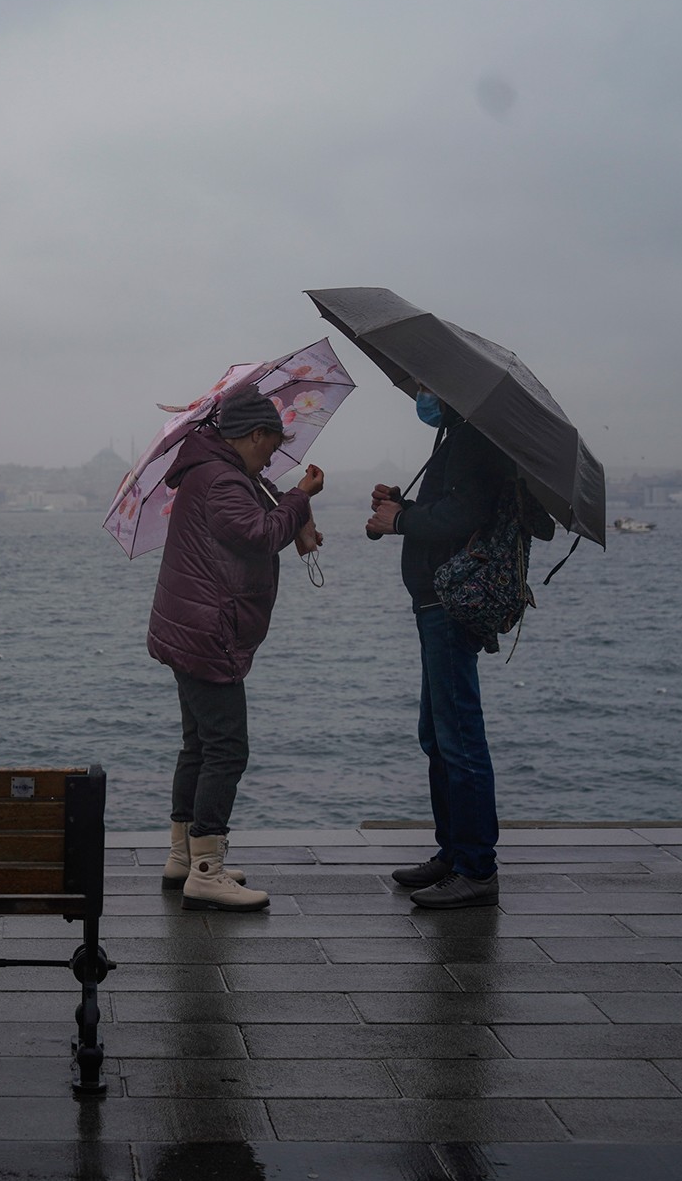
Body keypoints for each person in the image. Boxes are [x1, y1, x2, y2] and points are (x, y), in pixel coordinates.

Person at [147, 389, 323, 912]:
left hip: (189, 626)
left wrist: (293, 506)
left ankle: (184, 854)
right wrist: (301, 498)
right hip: (209, 632)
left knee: (199, 745)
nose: (272, 456)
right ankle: (207, 870)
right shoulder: (222, 478)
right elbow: (255, 532)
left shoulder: (217, 472)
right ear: (252, 435)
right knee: (227, 748)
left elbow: (260, 514)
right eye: (270, 445)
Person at [366, 388, 513, 909]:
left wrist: (401, 520)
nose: (423, 396)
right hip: (434, 603)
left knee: (459, 738)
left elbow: (464, 513)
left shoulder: (475, 440)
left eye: (430, 389)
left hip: (450, 604)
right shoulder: (457, 436)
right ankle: (452, 853)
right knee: (437, 735)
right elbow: (448, 510)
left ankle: (476, 867)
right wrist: (400, 507)